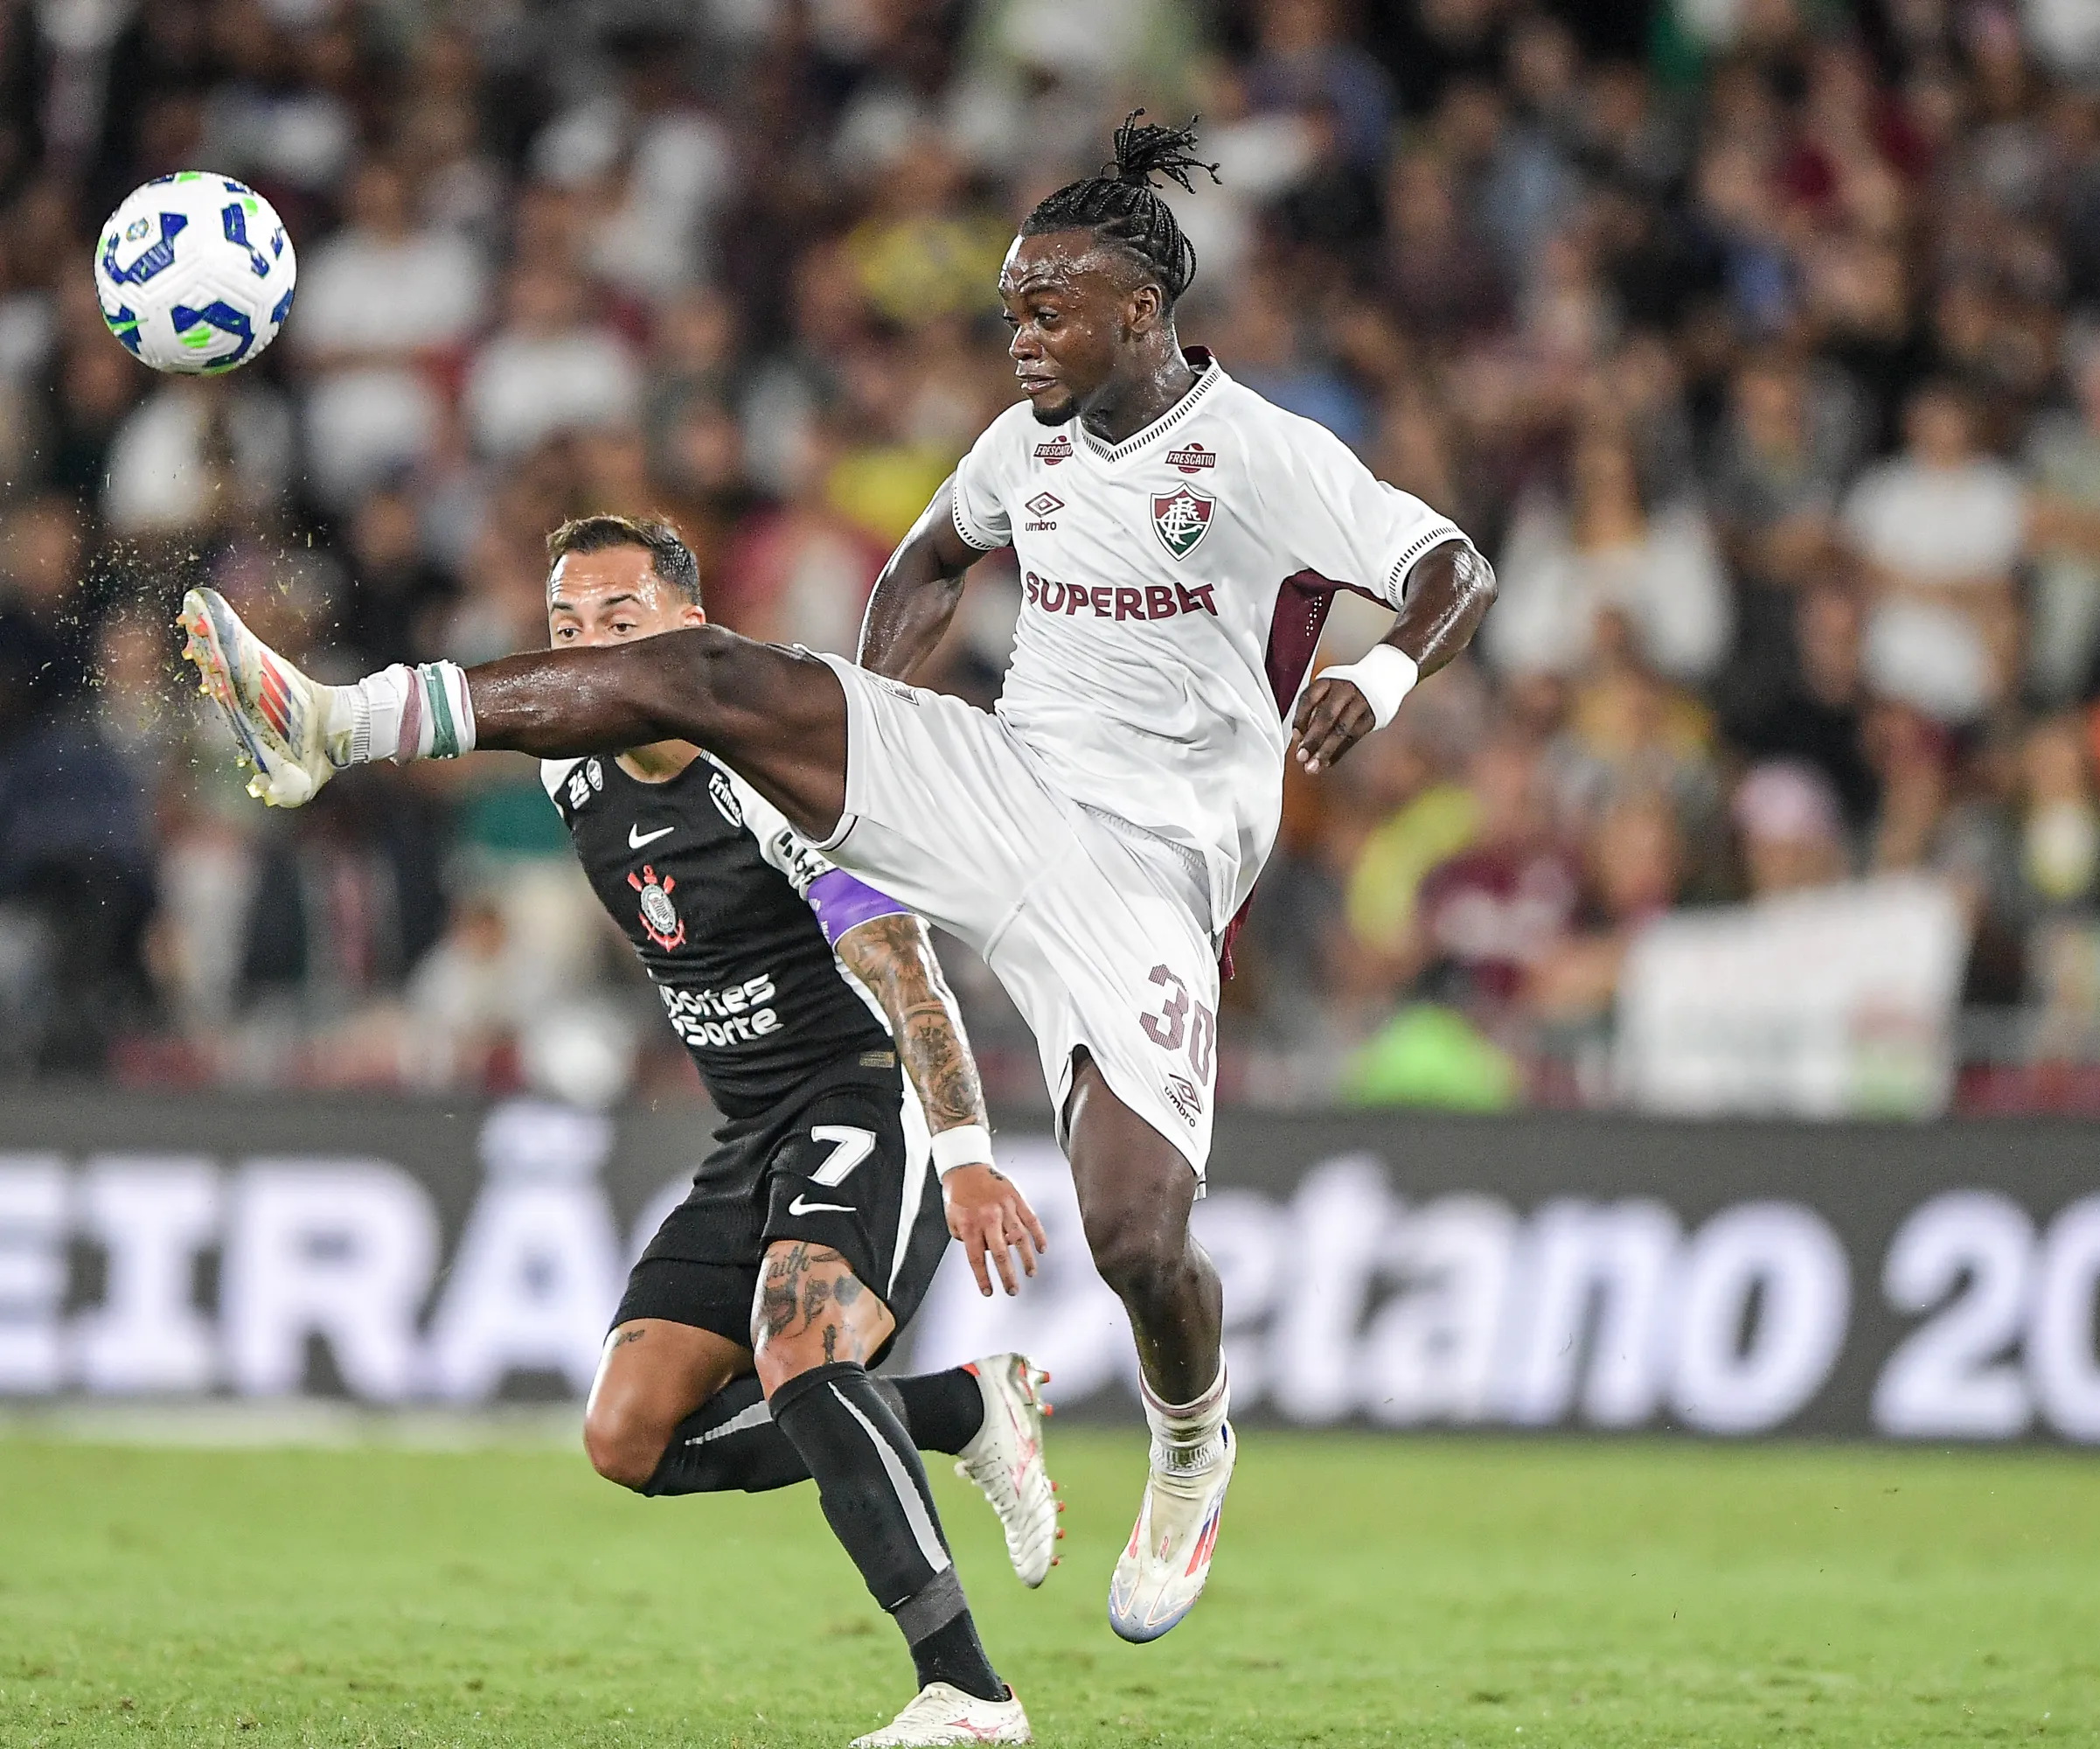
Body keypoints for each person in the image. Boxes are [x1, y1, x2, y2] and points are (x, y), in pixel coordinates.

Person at [178, 112, 1498, 1677]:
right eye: (1008, 310)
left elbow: (1452, 568)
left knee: (1139, 1239)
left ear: (1143, 310)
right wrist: (854, 745)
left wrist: (1382, 677)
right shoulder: (1025, 447)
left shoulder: (1264, 455)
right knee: (710, 674)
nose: (1019, 338)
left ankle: (1193, 1439)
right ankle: (338, 721)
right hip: (1009, 783)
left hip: (1154, 867)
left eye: (1047, 310)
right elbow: (931, 563)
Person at [558, 514, 1062, 1746]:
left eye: (621, 622)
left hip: (864, 1092)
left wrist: (966, 1157)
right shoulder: (569, 766)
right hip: (751, 1128)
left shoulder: (777, 775)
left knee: (800, 1353)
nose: (592, 651)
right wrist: (316, 729)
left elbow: (902, 966)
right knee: (628, 1437)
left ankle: (969, 1693)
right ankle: (962, 1412)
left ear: (692, 630)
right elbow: (447, 715)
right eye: (567, 630)